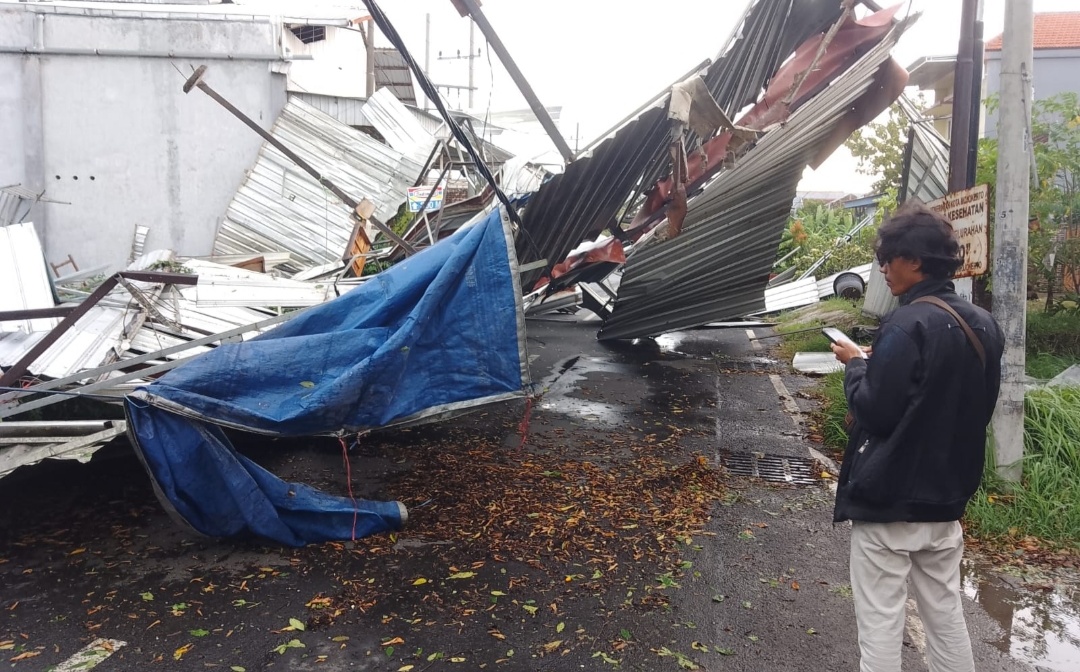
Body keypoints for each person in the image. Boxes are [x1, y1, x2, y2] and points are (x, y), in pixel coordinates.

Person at [830, 202, 1004, 672]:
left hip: (890, 502)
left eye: (888, 259)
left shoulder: (907, 323)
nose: (884, 269)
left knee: (881, 624)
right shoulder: (984, 324)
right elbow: (972, 405)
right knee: (945, 615)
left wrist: (856, 365)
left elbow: (875, 411)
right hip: (945, 502)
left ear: (915, 260)